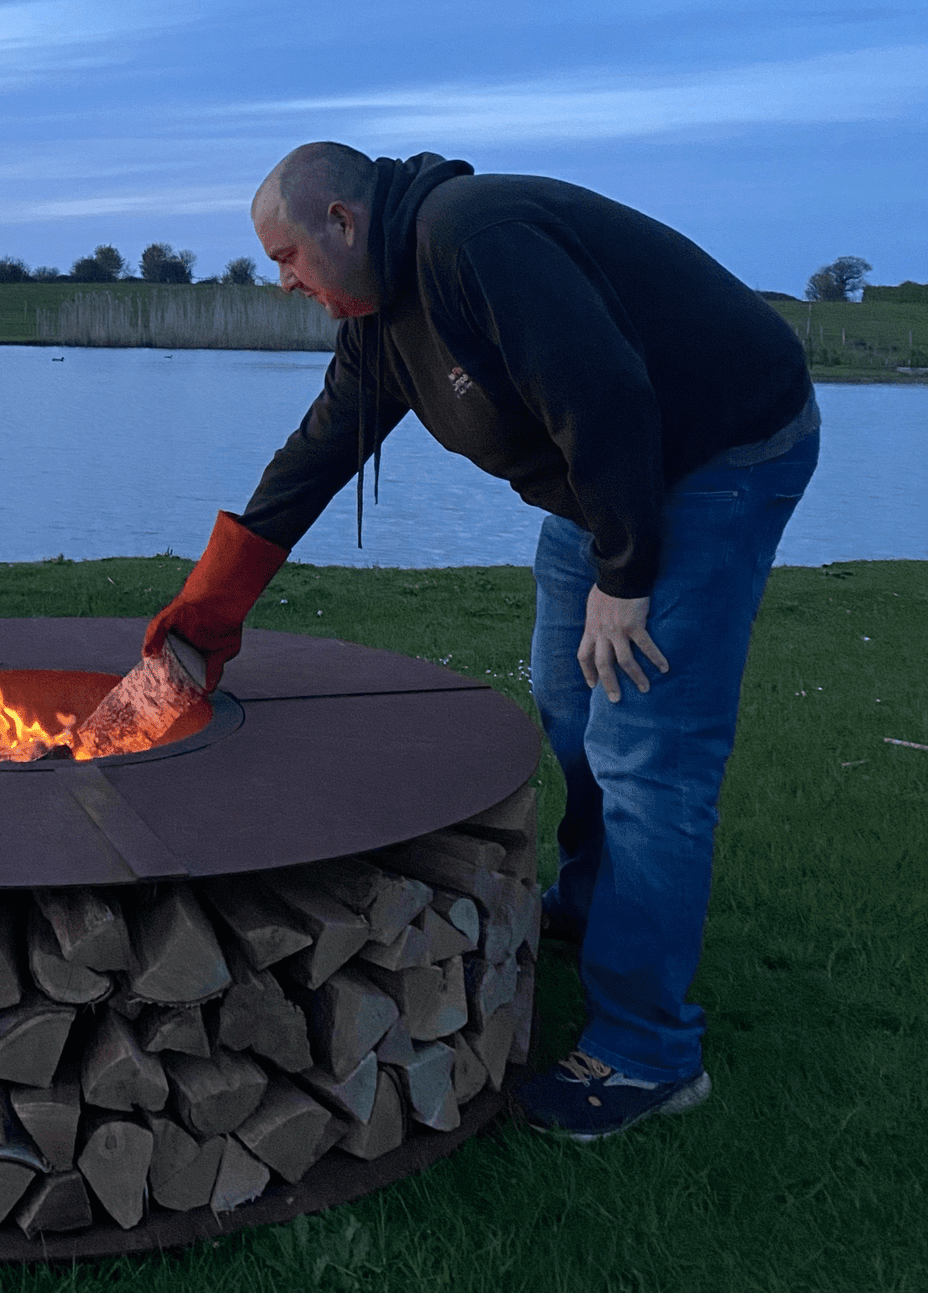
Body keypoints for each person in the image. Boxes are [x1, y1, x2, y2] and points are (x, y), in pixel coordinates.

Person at [144, 141, 819, 1140]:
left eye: (286, 256)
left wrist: (627, 577)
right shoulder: (379, 317)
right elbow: (315, 456)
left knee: (646, 747)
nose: (281, 281)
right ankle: (597, 907)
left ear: (341, 221)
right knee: (566, 696)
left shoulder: (473, 237)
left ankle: (648, 1050)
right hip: (604, 479)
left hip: (713, 452)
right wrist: (202, 621)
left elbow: (606, 392)